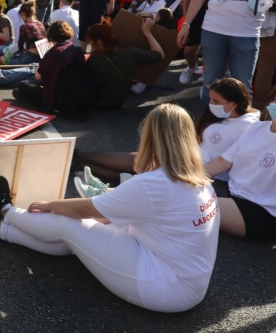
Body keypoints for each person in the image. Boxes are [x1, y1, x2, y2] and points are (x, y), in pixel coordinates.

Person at [0, 103, 219, 313]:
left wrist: (50, 204)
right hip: (186, 282)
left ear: (151, 137)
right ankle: (1, 230)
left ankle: (6, 211)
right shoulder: (199, 179)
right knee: (80, 237)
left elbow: (83, 211)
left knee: (69, 223)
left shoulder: (154, 183)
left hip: (163, 288)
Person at [75, 77, 260, 183]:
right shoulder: (224, 116)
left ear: (234, 103)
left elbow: (228, 162)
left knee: (137, 163)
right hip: (188, 160)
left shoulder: (248, 127)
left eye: (216, 101)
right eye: (211, 99)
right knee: (137, 163)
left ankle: (76, 159)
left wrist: (195, 175)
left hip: (196, 171)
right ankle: (76, 159)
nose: (211, 104)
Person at [203, 86, 276, 240]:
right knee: (177, 187)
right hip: (232, 191)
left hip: (260, 210)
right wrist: (187, 177)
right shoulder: (256, 128)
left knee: (189, 205)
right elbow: (223, 161)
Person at [86, 19, 163, 109]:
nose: (89, 44)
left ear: (99, 42)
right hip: (119, 100)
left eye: (90, 42)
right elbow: (159, 55)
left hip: (99, 103)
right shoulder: (130, 52)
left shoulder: (93, 60)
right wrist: (147, 32)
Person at [11, 20, 85, 112]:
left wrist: (40, 65)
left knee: (20, 86)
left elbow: (38, 77)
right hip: (78, 96)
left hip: (59, 98)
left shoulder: (53, 53)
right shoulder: (77, 50)